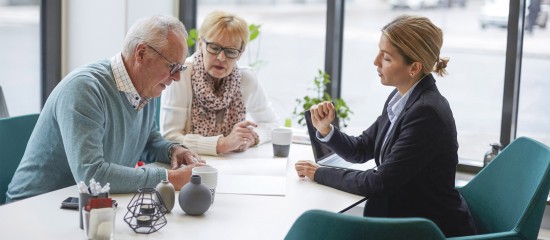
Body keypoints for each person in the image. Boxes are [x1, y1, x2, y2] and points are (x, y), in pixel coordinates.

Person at [294, 15, 477, 237]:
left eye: (387, 58)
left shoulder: (426, 113)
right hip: (401, 218)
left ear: (414, 68)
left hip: (425, 229)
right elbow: (361, 148)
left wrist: (320, 174)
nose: (376, 61)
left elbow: (378, 182)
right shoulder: (401, 97)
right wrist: (326, 130)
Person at [6, 15, 204, 202]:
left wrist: (172, 150)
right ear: (141, 53)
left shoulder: (146, 87)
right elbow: (92, 176)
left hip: (88, 204)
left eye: (181, 68)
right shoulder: (84, 89)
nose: (177, 77)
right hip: (35, 207)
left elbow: (147, 141)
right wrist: (169, 177)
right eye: (173, 67)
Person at [161, 11, 279, 156]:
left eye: (230, 51)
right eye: (214, 48)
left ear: (240, 53)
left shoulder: (246, 79)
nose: (221, 57)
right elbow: (170, 137)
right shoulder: (183, 73)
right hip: (191, 167)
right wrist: (222, 144)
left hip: (235, 167)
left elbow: (273, 125)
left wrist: (250, 138)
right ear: (200, 44)